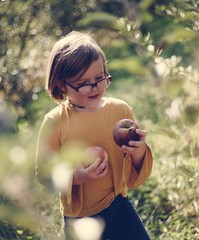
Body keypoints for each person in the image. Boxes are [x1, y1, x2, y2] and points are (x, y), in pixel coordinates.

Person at [35, 31, 153, 240]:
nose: (95, 87)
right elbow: (44, 172)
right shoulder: (56, 122)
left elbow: (134, 174)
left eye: (100, 78)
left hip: (118, 204)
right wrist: (77, 176)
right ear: (62, 85)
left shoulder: (120, 111)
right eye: (83, 83)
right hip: (80, 216)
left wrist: (138, 151)